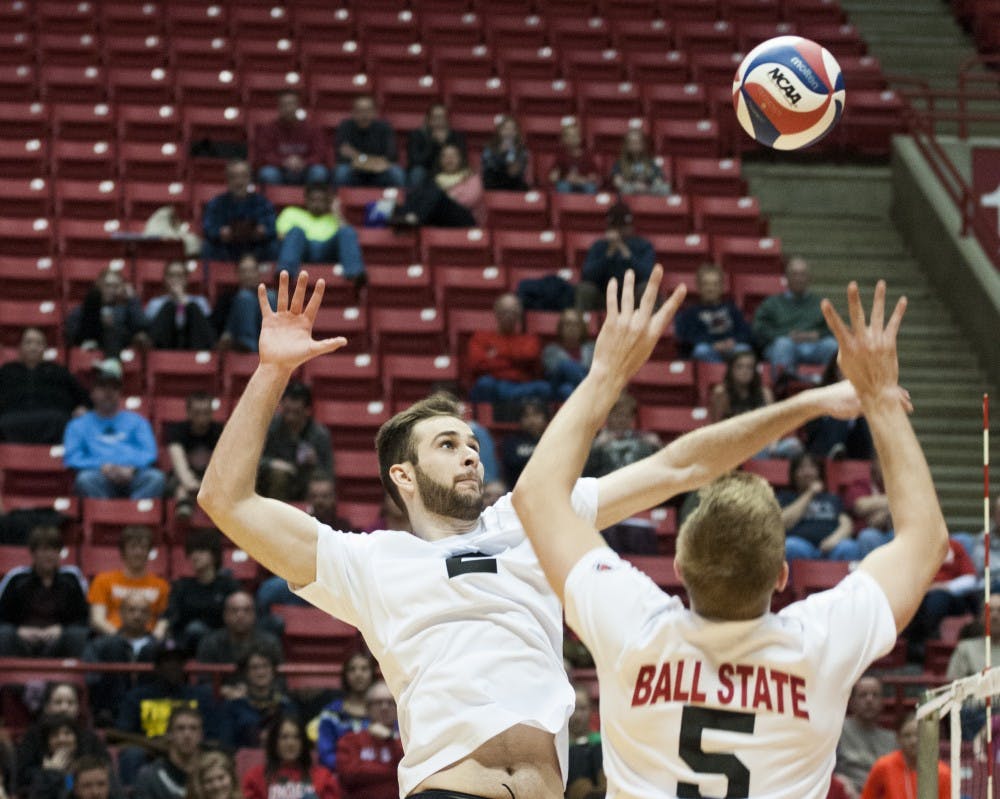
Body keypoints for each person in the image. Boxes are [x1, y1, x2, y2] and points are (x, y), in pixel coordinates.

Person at [197, 269, 873, 799]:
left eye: (471, 440)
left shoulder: (532, 516)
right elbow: (223, 499)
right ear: (402, 475)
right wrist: (272, 370)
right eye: (446, 443)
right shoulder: (366, 559)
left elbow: (680, 464)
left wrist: (811, 404)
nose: (471, 453)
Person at [510, 273, 948, 799]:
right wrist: (878, 396)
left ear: (678, 565)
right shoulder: (819, 643)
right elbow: (925, 540)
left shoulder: (631, 623)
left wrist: (606, 372)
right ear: (783, 575)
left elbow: (534, 495)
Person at [256, 474, 353, 623]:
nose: (320, 501)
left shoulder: (345, 528)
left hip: (332, 582)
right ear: (308, 499)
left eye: (325, 496)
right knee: (268, 590)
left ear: (334, 498)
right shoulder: (296, 524)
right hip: (299, 579)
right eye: (315, 496)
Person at [117, 646, 216, 788]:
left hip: (192, 750)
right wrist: (154, 744)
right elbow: (120, 734)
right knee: (132, 755)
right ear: (157, 667)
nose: (173, 666)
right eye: (167, 662)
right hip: (148, 752)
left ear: (183, 666)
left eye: (177, 662)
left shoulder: (200, 696)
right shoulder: (137, 696)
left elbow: (213, 737)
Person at [63, 368, 165, 499]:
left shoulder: (137, 421)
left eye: (113, 388)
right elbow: (73, 457)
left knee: (156, 478)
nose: (108, 393)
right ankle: (104, 516)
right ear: (92, 393)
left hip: (133, 474)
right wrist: (102, 467)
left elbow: (149, 453)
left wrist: (131, 468)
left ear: (119, 393)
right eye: (102, 388)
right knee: (84, 479)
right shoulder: (77, 425)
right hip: (98, 475)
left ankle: (134, 516)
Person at [582, 391, 663, 556]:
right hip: (605, 503)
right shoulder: (594, 445)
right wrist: (595, 448)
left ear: (633, 420)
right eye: (617, 415)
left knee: (640, 534)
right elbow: (581, 476)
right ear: (607, 418)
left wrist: (659, 449)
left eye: (626, 417)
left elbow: (658, 474)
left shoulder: (643, 444)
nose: (621, 421)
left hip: (637, 503)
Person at [0, 524, 89, 657]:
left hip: (58, 641)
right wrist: (19, 631)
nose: (49, 555)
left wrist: (61, 630)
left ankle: (71, 677)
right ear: (33, 553)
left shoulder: (71, 579)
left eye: (54, 550)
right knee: (5, 634)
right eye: (44, 550)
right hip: (22, 641)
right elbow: (2, 617)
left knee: (78, 635)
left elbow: (83, 618)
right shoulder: (16, 579)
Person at [15, 684, 111, 797]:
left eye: (70, 703)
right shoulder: (33, 736)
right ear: (46, 707)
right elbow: (21, 775)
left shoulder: (89, 737)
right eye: (58, 702)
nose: (64, 708)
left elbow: (106, 770)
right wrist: (50, 772)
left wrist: (74, 773)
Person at [753, 256, 840, 381]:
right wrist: (787, 335)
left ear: (809, 278)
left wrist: (817, 335)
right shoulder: (772, 303)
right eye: (794, 274)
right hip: (785, 345)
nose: (799, 279)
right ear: (786, 278)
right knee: (783, 344)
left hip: (815, 345)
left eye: (802, 274)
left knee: (832, 345)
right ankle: (784, 388)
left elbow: (836, 328)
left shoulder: (821, 303)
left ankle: (828, 387)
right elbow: (759, 329)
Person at [0, 327, 89, 444]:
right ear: (20, 347)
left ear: (45, 348)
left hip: (54, 422)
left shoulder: (59, 371)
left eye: (38, 343)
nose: (33, 347)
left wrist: (83, 407)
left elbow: (84, 397)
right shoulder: (6, 371)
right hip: (10, 422)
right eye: (28, 342)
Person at [708, 351, 804, 459]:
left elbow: (773, 424)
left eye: (749, 367)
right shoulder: (722, 393)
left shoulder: (765, 393)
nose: (745, 371)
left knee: (793, 445)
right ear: (731, 370)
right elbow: (715, 427)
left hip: (762, 441)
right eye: (740, 367)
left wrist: (773, 442)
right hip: (734, 444)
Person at [466, 292, 552, 406]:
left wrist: (497, 354)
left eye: (513, 312)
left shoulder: (530, 339)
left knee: (543, 388)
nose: (509, 316)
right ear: (496, 313)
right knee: (484, 384)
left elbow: (531, 356)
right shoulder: (480, 337)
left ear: (519, 315)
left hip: (522, 386)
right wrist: (516, 361)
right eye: (504, 312)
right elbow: (477, 364)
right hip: (494, 385)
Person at [83, 593, 158, 723]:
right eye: (132, 610)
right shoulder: (101, 645)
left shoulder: (161, 648)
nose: (137, 615)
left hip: (153, 712)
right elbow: (91, 678)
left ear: (150, 616)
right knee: (114, 646)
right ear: (121, 613)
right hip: (110, 711)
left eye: (143, 611)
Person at [904, 538, 978, 664]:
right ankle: (912, 646)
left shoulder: (954, 546)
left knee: (938, 597)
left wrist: (945, 586)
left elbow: (970, 579)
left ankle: (927, 643)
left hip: (951, 599)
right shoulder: (912, 548)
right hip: (919, 596)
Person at [88, 525, 170, 640]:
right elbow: (97, 619)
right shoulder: (102, 580)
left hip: (148, 642)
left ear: (149, 552)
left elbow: (164, 620)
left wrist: (152, 639)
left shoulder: (161, 586)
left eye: (143, 547)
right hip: (113, 639)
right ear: (123, 551)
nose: (138, 552)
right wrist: (121, 638)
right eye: (133, 547)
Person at [257, 381, 333, 502]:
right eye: (286, 411)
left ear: (307, 411)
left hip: (306, 483)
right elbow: (253, 461)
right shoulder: (271, 428)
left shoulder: (320, 435)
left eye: (295, 412)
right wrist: (272, 463)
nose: (290, 417)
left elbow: (328, 473)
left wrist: (315, 463)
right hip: (272, 485)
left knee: (320, 490)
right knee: (278, 475)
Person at [275, 183, 365, 284]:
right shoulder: (291, 213)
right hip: (304, 250)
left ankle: (355, 274)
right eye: (313, 200)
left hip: (329, 251)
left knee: (347, 231)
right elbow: (281, 237)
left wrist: (336, 213)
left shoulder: (335, 218)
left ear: (328, 201)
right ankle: (284, 275)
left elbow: (349, 237)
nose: (317, 204)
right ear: (306, 200)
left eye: (321, 200)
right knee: (296, 231)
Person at [166, 529, 240, 651]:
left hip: (223, 643)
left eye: (201, 551)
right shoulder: (182, 587)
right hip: (187, 644)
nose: (194, 556)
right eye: (192, 552)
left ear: (214, 555)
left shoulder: (229, 586)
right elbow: (171, 616)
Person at [195, 591, 283, 691]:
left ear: (254, 615)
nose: (240, 615)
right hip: (220, 702)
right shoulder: (210, 643)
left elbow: (280, 681)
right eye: (234, 610)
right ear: (225, 615)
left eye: (246, 610)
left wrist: (251, 692)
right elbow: (203, 682)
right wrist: (223, 691)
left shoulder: (270, 643)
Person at [777, 452, 859, 561]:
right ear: (794, 474)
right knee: (790, 546)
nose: (807, 473)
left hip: (832, 547)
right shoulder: (786, 497)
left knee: (849, 547)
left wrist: (834, 539)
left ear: (819, 472)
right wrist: (810, 493)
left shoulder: (832, 498)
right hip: (801, 547)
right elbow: (783, 523)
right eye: (801, 468)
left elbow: (846, 523)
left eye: (811, 467)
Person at [575, 203, 656, 313]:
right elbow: (587, 275)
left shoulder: (643, 245)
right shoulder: (600, 246)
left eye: (623, 227)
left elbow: (648, 275)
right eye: (616, 227)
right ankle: (583, 326)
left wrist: (627, 254)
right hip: (605, 296)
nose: (620, 232)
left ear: (631, 226)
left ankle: (647, 327)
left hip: (633, 296)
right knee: (585, 289)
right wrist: (608, 255)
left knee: (646, 288)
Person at [242, 715, 341, 799]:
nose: (291, 743)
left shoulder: (323, 777)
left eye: (297, 737)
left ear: (303, 743)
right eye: (284, 737)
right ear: (274, 742)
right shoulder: (255, 777)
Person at [390, 144, 483, 229]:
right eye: (445, 156)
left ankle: (412, 217)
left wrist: (442, 196)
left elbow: (468, 200)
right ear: (440, 160)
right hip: (438, 218)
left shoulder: (471, 177)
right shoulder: (434, 178)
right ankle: (405, 216)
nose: (449, 159)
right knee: (421, 190)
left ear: (461, 159)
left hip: (464, 219)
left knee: (435, 192)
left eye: (453, 155)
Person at [674, 263, 753, 362]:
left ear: (722, 286)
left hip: (731, 349)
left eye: (715, 284)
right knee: (701, 350)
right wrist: (712, 343)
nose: (710, 289)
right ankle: (718, 375)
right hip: (708, 351)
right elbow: (689, 337)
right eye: (706, 284)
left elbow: (745, 332)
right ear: (698, 286)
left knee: (743, 350)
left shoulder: (732, 309)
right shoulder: (690, 313)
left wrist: (733, 341)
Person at [335, 682, 402, 799]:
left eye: (390, 702)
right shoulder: (350, 740)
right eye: (378, 703)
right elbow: (349, 776)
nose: (384, 707)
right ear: (367, 708)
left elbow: (410, 775)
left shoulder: (405, 742)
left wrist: (392, 737)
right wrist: (391, 772)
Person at [202, 160, 278, 263]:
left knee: (273, 246)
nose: (239, 182)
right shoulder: (217, 203)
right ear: (227, 180)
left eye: (243, 176)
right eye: (234, 177)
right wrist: (220, 232)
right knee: (207, 247)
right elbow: (208, 228)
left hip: (255, 247)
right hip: (227, 248)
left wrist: (262, 231)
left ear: (250, 178)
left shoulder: (262, 202)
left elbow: (272, 227)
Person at [219, 648, 296, 750]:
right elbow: (226, 743)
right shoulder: (233, 706)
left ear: (273, 670)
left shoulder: (286, 705)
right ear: (246, 673)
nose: (260, 672)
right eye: (254, 668)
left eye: (265, 666)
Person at [860, 714, 950, 799]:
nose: (913, 741)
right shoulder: (883, 766)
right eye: (907, 736)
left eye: (918, 735)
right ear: (898, 739)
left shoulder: (943, 773)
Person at [253, 90, 330, 187]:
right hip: (279, 169)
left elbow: (320, 153)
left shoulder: (312, 128)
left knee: (319, 172)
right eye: (284, 105)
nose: (288, 108)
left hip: (305, 169)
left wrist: (304, 162)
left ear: (298, 106)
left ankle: (313, 201)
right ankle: (276, 201)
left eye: (291, 104)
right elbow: (264, 154)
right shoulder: (268, 129)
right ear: (279, 107)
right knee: (268, 173)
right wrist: (284, 162)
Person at [835, 676, 897, 795]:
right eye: (863, 695)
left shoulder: (893, 739)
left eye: (875, 695)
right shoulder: (838, 731)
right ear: (852, 702)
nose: (869, 700)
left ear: (882, 702)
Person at [803, 358, 875, 460]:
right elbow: (811, 430)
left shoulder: (866, 398)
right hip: (822, 447)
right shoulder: (819, 394)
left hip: (855, 449)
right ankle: (834, 451)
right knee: (841, 411)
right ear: (836, 370)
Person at [315, 652, 375, 772]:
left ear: (372, 674)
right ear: (345, 676)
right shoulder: (331, 714)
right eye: (352, 670)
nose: (358, 674)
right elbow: (326, 754)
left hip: (379, 777)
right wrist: (351, 769)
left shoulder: (385, 710)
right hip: (342, 778)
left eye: (364, 669)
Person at [67, 268, 148, 357]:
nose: (111, 290)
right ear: (98, 286)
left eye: (115, 286)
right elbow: (72, 333)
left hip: (118, 345)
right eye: (107, 286)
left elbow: (141, 326)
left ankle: (111, 363)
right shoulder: (84, 308)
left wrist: (133, 298)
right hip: (89, 344)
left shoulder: (125, 309)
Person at [167, 393, 224, 520]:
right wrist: (190, 484)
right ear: (188, 413)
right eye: (197, 413)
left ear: (211, 413)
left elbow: (225, 466)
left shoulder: (221, 431)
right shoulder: (177, 431)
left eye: (206, 412)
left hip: (211, 479)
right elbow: (180, 465)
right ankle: (184, 509)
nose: (202, 418)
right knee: (180, 488)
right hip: (183, 478)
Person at [333, 96, 405, 189]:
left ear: (375, 113)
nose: (364, 115)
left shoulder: (385, 128)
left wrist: (357, 156)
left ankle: (402, 202)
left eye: (368, 111)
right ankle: (337, 202)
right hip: (354, 171)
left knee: (396, 173)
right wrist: (371, 161)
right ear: (353, 113)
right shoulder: (345, 127)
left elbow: (391, 155)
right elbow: (342, 155)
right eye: (360, 111)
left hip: (379, 172)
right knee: (341, 172)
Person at [133, 707, 204, 799]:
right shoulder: (149, 777)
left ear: (201, 735)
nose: (187, 734)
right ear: (169, 734)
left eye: (193, 728)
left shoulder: (210, 774)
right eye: (180, 728)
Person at [213, 255, 277, 354]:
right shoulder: (226, 298)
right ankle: (249, 346)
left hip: (269, 345)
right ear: (237, 274)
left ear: (258, 273)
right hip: (238, 345)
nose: (248, 275)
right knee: (245, 297)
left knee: (270, 296)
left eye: (251, 271)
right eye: (244, 271)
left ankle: (270, 345)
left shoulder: (271, 297)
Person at [145, 261, 216, 351]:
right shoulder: (155, 303)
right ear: (165, 279)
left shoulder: (200, 301)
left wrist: (182, 300)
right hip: (165, 344)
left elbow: (205, 328)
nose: (175, 279)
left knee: (192, 307)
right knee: (169, 307)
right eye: (171, 275)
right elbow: (153, 330)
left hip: (193, 343)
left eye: (179, 275)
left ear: (186, 279)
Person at [407, 103, 467, 190]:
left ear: (447, 120)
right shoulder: (417, 135)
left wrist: (445, 142)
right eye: (435, 118)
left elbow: (462, 159)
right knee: (417, 172)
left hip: (449, 171)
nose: (438, 121)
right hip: (426, 171)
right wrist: (433, 143)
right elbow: (414, 161)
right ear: (428, 120)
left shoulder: (456, 136)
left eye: (442, 117)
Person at [541, 308, 593, 402]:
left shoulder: (591, 349)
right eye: (568, 324)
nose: (571, 328)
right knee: (565, 366)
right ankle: (588, 392)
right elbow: (555, 373)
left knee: (567, 389)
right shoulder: (551, 350)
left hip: (570, 390)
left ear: (582, 328)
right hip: (558, 390)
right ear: (560, 328)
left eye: (576, 324)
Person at [846, 457, 894, 557]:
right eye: (883, 462)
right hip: (868, 534)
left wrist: (884, 513)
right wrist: (894, 502)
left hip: (894, 532)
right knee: (867, 536)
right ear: (874, 464)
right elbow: (861, 506)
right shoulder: (862, 484)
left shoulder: (898, 484)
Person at [566, 685, 604, 799]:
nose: (578, 715)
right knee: (575, 752)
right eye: (573, 709)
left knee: (599, 748)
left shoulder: (601, 740)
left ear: (591, 709)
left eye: (582, 708)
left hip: (604, 792)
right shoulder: (559, 746)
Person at [501, 399, 549, 486]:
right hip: (518, 488)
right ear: (520, 420)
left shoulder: (552, 440)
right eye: (526, 416)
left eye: (536, 414)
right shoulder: (511, 442)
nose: (532, 420)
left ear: (546, 417)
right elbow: (512, 465)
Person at [610, 129, 669, 196]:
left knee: (665, 188)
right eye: (632, 143)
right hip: (630, 191)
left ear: (643, 144)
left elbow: (658, 180)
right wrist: (635, 186)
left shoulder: (651, 162)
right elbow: (617, 182)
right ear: (626, 145)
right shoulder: (620, 163)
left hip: (648, 190)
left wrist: (648, 186)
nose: (635, 145)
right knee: (626, 189)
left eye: (637, 142)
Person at [481, 115, 530, 191]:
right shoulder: (489, 148)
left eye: (512, 129)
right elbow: (489, 168)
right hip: (492, 183)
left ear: (516, 132)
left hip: (513, 184)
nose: (509, 132)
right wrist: (501, 153)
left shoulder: (522, 150)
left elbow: (514, 172)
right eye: (506, 129)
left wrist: (511, 154)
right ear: (499, 131)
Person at [549, 122, 600, 195]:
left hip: (584, 183)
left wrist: (584, 179)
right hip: (567, 183)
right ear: (564, 140)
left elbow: (595, 175)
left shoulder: (587, 155)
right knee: (562, 186)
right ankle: (565, 206)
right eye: (570, 136)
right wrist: (562, 178)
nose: (574, 138)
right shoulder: (561, 156)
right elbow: (553, 176)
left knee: (590, 187)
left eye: (576, 135)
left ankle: (588, 205)